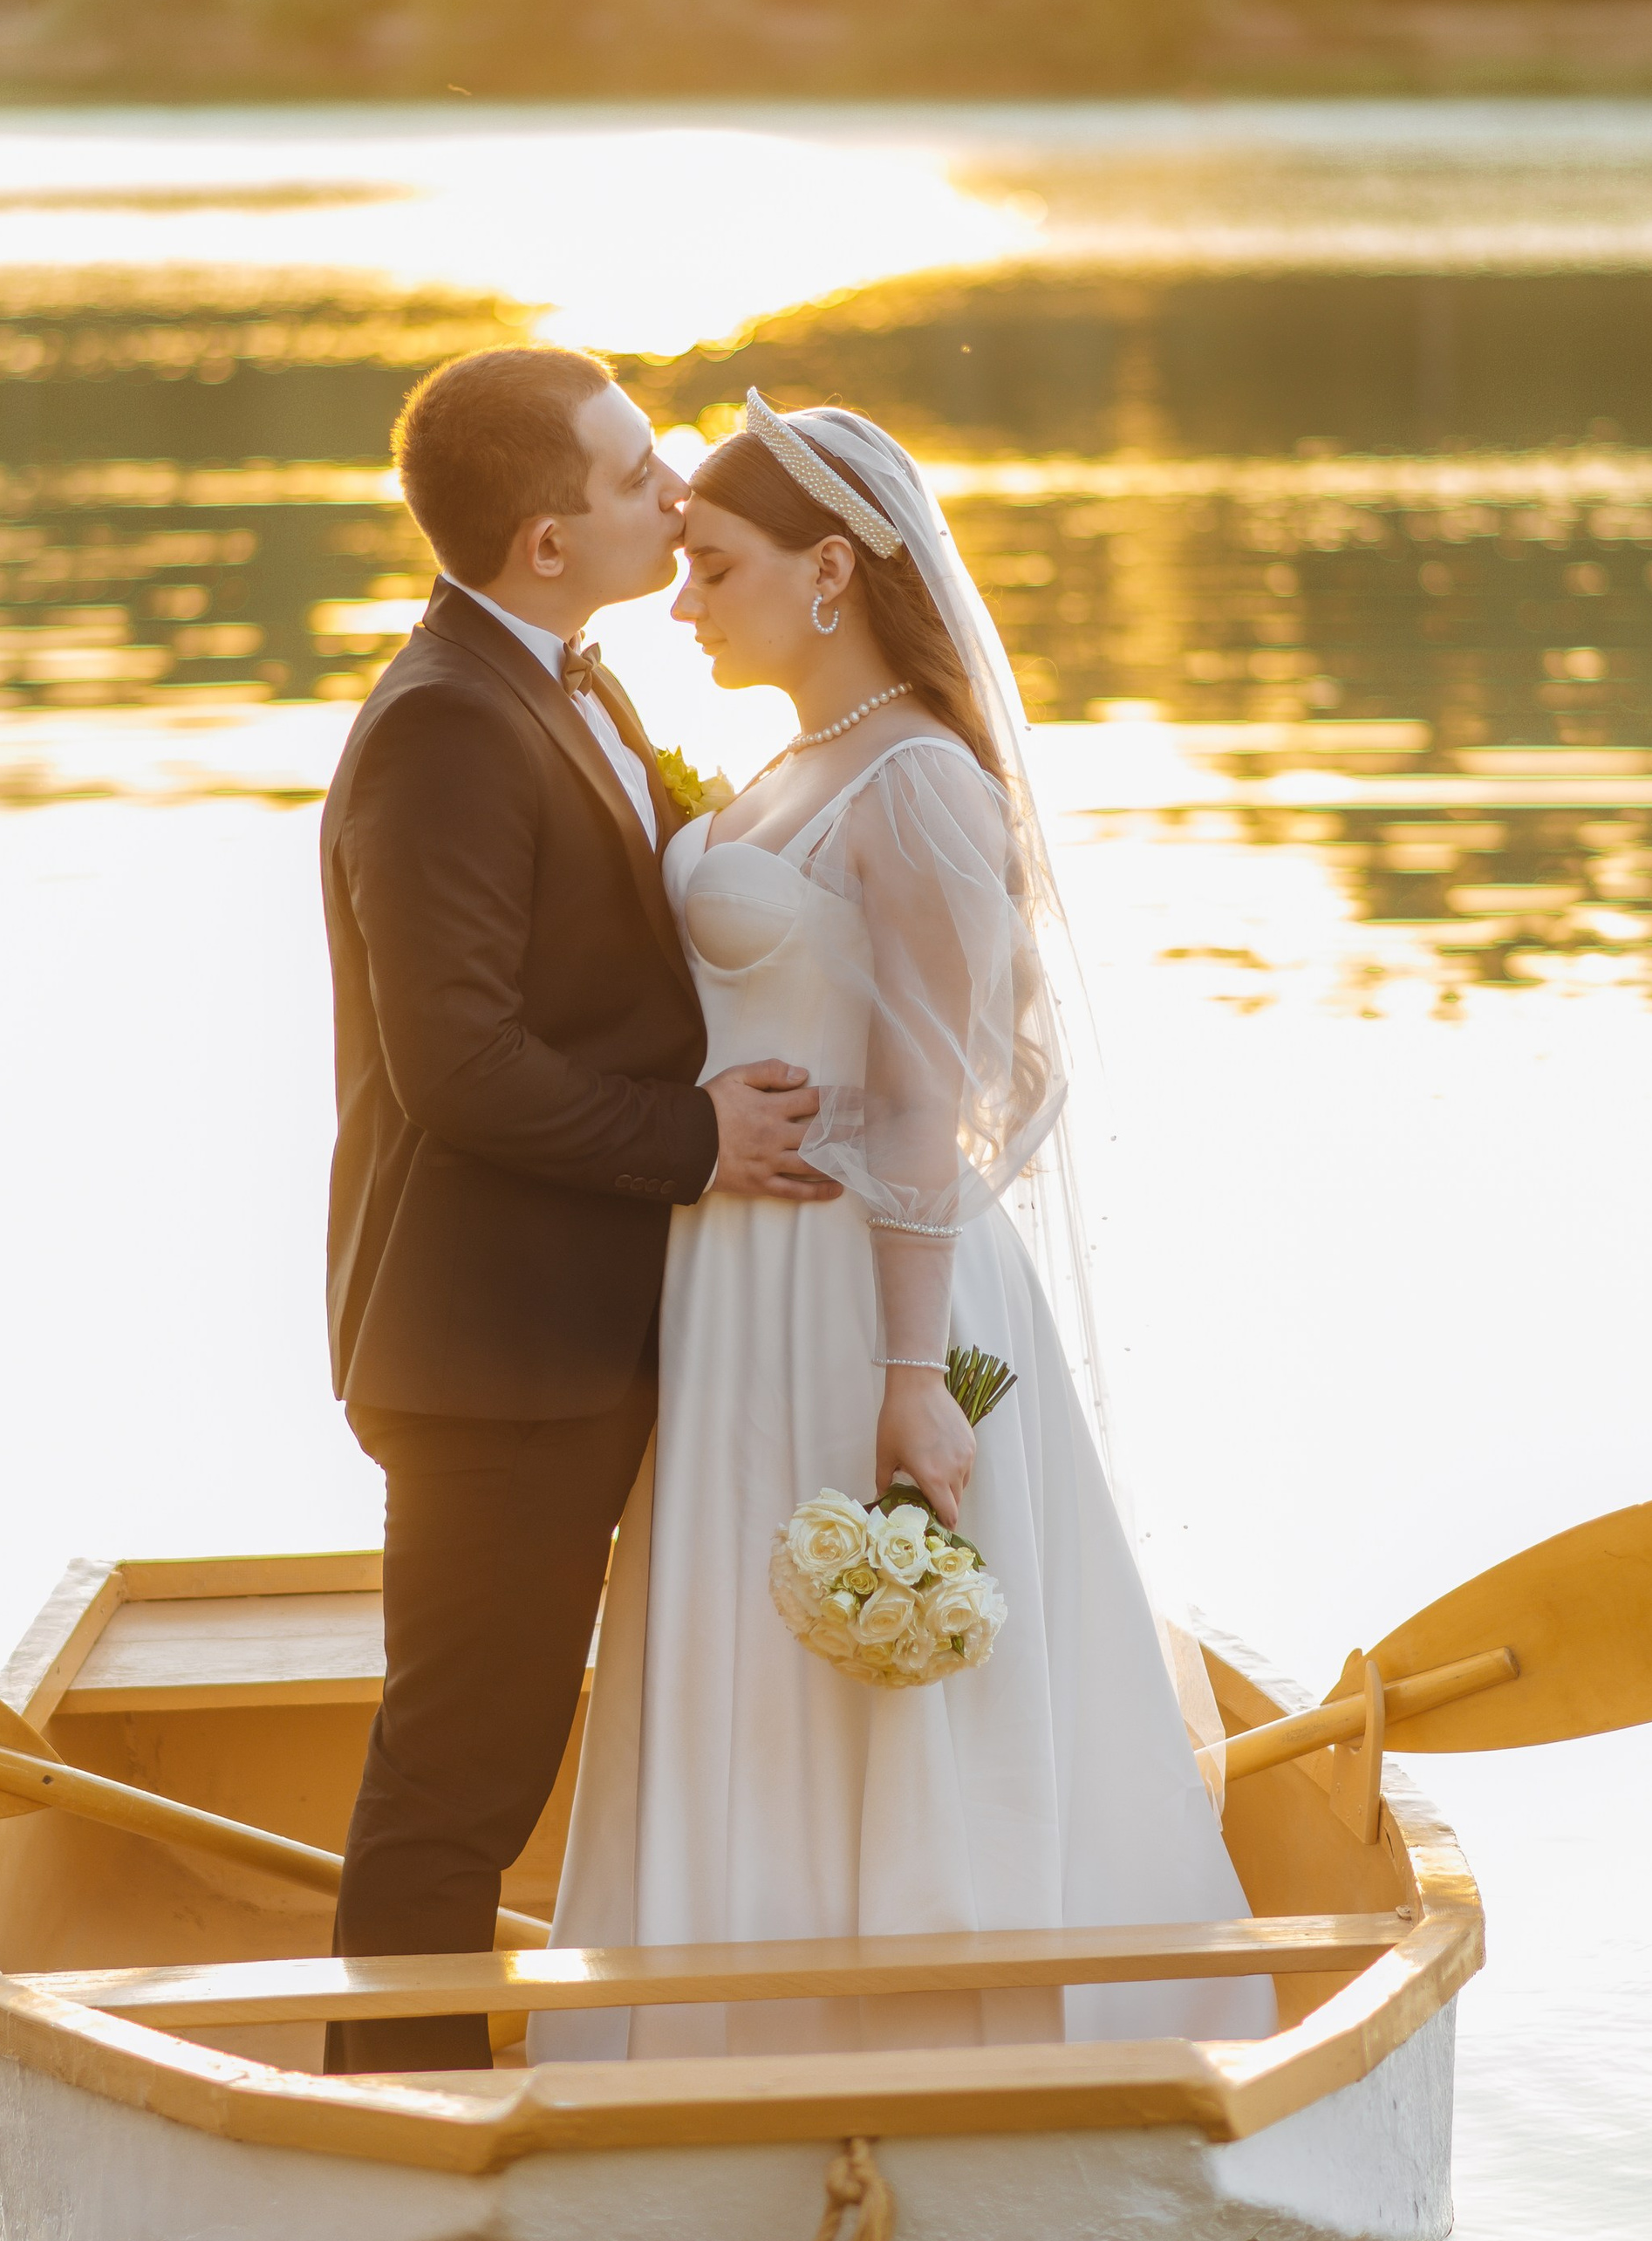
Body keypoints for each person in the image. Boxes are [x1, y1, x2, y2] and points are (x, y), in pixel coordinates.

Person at [537, 393, 1273, 2058]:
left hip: (868, 1298)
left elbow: (934, 1101)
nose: (679, 598)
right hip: (735, 1282)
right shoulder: (792, 766)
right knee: (751, 1662)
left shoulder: (922, 783)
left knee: (890, 1676)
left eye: (711, 566)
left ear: (830, 571)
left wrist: (910, 1370)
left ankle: (942, 2043)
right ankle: (726, 2030)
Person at [318, 346, 836, 2076]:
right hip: (494, 1345)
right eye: (636, 478)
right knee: (462, 1767)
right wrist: (694, 1138)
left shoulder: (572, 681)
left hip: (601, 1318)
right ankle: (396, 2139)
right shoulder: (447, 726)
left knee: (512, 1743)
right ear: (547, 540)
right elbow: (456, 1063)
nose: (675, 491)